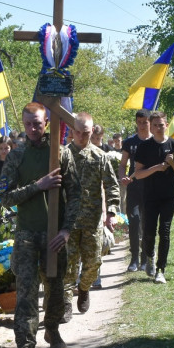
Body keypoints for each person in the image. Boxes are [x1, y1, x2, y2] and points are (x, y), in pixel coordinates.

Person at [0, 102, 80, 348]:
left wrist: (66, 230)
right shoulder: (16, 155)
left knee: (56, 289)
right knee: (26, 293)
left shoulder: (61, 154)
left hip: (55, 234)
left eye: (37, 123)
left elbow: (76, 196)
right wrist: (38, 186)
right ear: (22, 125)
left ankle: (53, 329)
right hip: (25, 235)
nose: (33, 128)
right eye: (28, 124)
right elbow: (5, 197)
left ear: (47, 122)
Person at [62, 112, 118, 315]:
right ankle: (66, 302)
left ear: (92, 131)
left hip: (92, 220)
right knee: (68, 264)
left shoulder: (100, 156)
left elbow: (111, 185)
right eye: (77, 132)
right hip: (68, 222)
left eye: (85, 133)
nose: (81, 136)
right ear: (71, 131)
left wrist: (111, 211)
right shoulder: (62, 155)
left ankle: (84, 288)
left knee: (93, 261)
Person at [130, 110, 174, 284]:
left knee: (165, 231)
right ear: (151, 127)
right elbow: (137, 174)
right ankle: (150, 256)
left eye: (162, 124)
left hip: (169, 196)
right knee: (149, 232)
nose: (159, 128)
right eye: (155, 125)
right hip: (150, 196)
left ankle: (161, 269)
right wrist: (155, 168)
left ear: (166, 125)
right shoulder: (144, 147)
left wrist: (171, 162)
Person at [117, 109, 151, 272]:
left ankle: (145, 258)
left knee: (147, 224)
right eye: (140, 122)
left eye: (145, 122)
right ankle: (134, 258)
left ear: (150, 122)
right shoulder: (130, 142)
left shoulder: (156, 142)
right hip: (134, 188)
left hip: (152, 190)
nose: (143, 125)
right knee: (134, 221)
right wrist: (122, 177)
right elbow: (122, 164)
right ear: (136, 123)